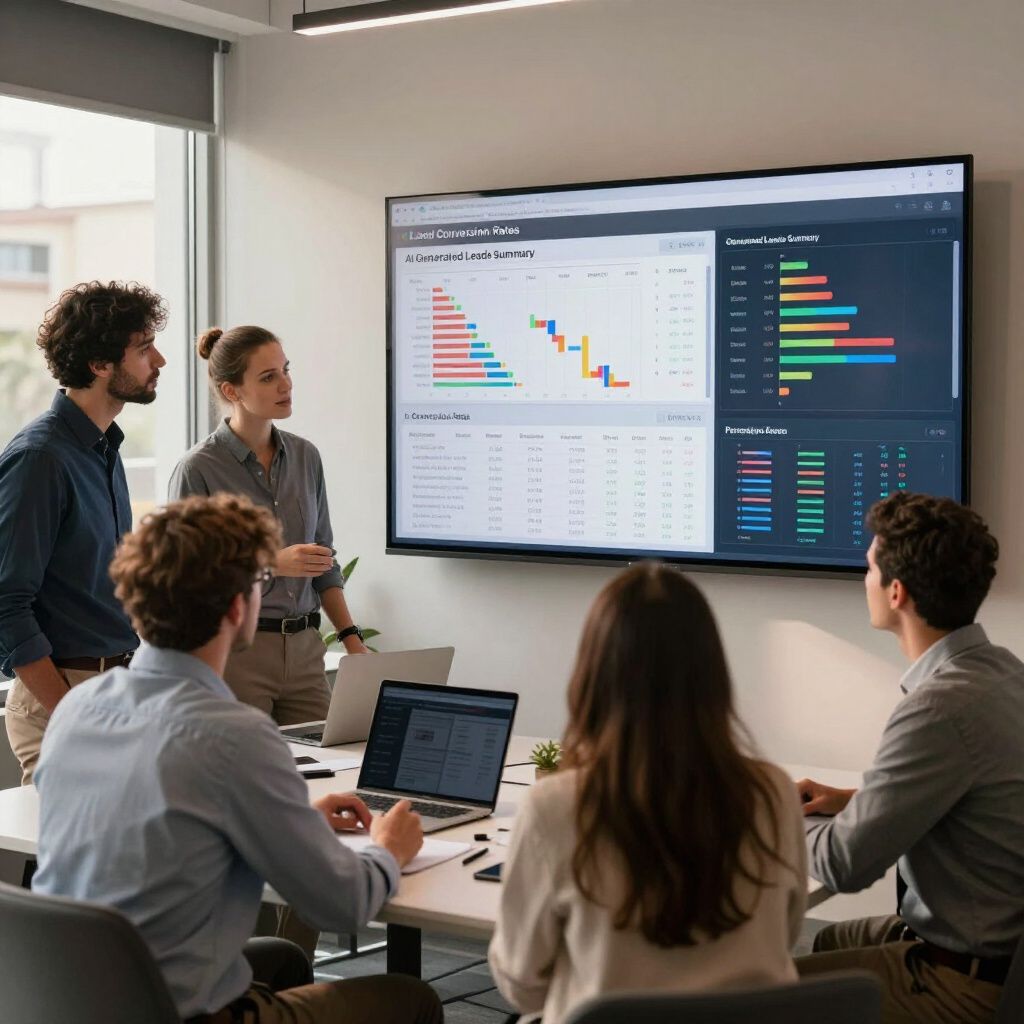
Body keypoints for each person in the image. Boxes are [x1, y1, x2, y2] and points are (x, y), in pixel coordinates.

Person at [32, 493, 443, 1024]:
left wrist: (293, 823)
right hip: (178, 1013)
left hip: (67, 1000)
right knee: (412, 999)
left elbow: (159, 829)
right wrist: (388, 849)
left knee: (283, 959)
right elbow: (340, 905)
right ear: (235, 607)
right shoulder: (233, 736)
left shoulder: (77, 708)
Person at [489, 562, 807, 1024]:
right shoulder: (774, 793)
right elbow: (785, 935)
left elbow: (523, 985)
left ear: (593, 676)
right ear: (713, 675)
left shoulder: (555, 807)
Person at [796, 492, 1024, 1023]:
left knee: (754, 994)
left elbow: (843, 865)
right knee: (826, 941)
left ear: (896, 592)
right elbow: (974, 795)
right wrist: (853, 800)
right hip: (997, 949)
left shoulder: (938, 709)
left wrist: (764, 813)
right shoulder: (1002, 672)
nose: (865, 579)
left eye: (870, 568)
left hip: (964, 981)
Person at [0, 280, 167, 784]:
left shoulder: (104, 449)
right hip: (65, 693)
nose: (159, 360)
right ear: (99, 364)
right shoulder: (39, 459)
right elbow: (6, 603)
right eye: (144, 348)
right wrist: (69, 708)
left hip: (117, 686)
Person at [168, 325, 367, 727]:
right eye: (268, 377)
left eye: (285, 370)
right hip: (237, 653)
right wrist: (270, 563)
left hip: (306, 652)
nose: (286, 384)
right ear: (231, 391)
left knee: (334, 757)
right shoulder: (198, 469)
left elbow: (324, 561)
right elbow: (183, 577)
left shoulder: (306, 457)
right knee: (246, 765)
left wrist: (352, 640)